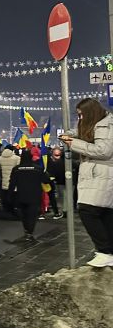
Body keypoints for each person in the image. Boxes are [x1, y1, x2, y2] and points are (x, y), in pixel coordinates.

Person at [62, 98, 113, 267]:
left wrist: (73, 143)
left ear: (90, 113)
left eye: (82, 114)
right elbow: (83, 132)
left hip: (101, 174)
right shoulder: (99, 123)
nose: (80, 118)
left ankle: (104, 251)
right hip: (100, 175)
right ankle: (109, 251)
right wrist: (69, 135)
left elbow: (103, 150)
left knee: (87, 210)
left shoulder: (104, 126)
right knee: (105, 213)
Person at [8, 148, 51, 242]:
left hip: (21, 195)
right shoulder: (38, 169)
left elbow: (12, 183)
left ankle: (26, 230)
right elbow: (46, 180)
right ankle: (30, 232)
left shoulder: (16, 169)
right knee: (32, 215)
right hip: (34, 195)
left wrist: (10, 195)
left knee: (24, 214)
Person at [0, 145, 20, 216]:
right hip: (13, 181)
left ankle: (6, 210)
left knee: (4, 196)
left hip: (3, 180)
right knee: (13, 197)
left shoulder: (0, 158)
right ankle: (13, 211)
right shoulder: (17, 158)